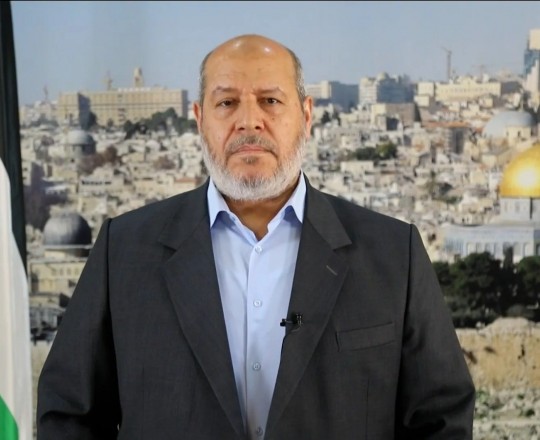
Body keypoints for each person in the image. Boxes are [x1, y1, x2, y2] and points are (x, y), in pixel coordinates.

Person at [37, 34, 475, 439]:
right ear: (200, 120)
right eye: (227, 103)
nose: (250, 121)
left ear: (306, 116)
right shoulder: (124, 251)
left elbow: (440, 419)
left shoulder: (393, 255)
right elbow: (71, 414)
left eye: (270, 100)